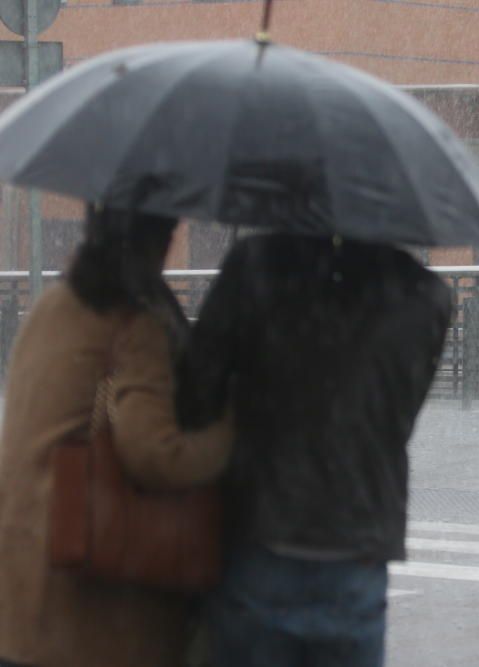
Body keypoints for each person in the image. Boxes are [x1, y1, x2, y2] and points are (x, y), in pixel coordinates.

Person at [175, 233, 453, 667]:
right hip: (355, 546)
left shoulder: (257, 266)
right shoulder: (422, 295)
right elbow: (396, 418)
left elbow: (195, 394)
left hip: (260, 536)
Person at [0, 206, 233, 667]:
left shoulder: (53, 304)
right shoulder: (133, 320)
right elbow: (153, 455)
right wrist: (230, 438)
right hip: (92, 611)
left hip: (19, 599)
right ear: (157, 237)